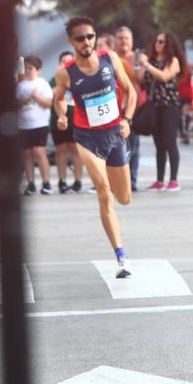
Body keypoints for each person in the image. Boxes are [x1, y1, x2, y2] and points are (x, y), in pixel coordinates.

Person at [54, 17, 137, 278]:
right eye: (80, 38)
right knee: (103, 191)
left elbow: (130, 92)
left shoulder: (110, 59)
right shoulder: (65, 72)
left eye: (90, 36)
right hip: (87, 138)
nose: (86, 42)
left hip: (115, 134)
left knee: (124, 198)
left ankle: (117, 174)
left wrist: (127, 120)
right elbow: (58, 99)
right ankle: (121, 255)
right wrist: (62, 115)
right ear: (72, 42)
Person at [139, 31, 184, 191]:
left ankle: (173, 180)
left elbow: (164, 76)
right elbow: (140, 79)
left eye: (161, 42)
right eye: (156, 41)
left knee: (170, 142)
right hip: (155, 106)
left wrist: (147, 65)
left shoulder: (173, 61)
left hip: (169, 105)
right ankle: (159, 180)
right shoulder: (150, 60)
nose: (157, 44)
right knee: (159, 144)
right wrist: (141, 65)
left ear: (168, 44)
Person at [17, 55, 54, 195]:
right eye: (26, 68)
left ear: (38, 70)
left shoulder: (42, 84)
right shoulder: (21, 86)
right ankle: (31, 183)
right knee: (27, 154)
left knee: (39, 152)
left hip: (39, 124)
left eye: (30, 68)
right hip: (23, 125)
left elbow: (49, 103)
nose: (27, 71)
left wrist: (37, 97)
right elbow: (16, 102)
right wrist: (26, 98)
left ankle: (46, 182)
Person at [114, 26, 145, 190]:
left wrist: (139, 64)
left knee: (133, 146)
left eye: (126, 38)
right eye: (120, 38)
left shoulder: (138, 59)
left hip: (133, 108)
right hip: (113, 108)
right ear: (115, 41)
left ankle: (131, 180)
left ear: (132, 41)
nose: (123, 41)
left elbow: (141, 80)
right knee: (114, 146)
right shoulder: (110, 58)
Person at [49, 50, 84, 193]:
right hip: (59, 118)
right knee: (61, 150)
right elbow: (49, 94)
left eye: (69, 62)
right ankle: (62, 181)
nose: (66, 64)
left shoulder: (80, 77)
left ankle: (78, 181)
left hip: (77, 119)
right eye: (63, 62)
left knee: (76, 150)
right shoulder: (55, 79)